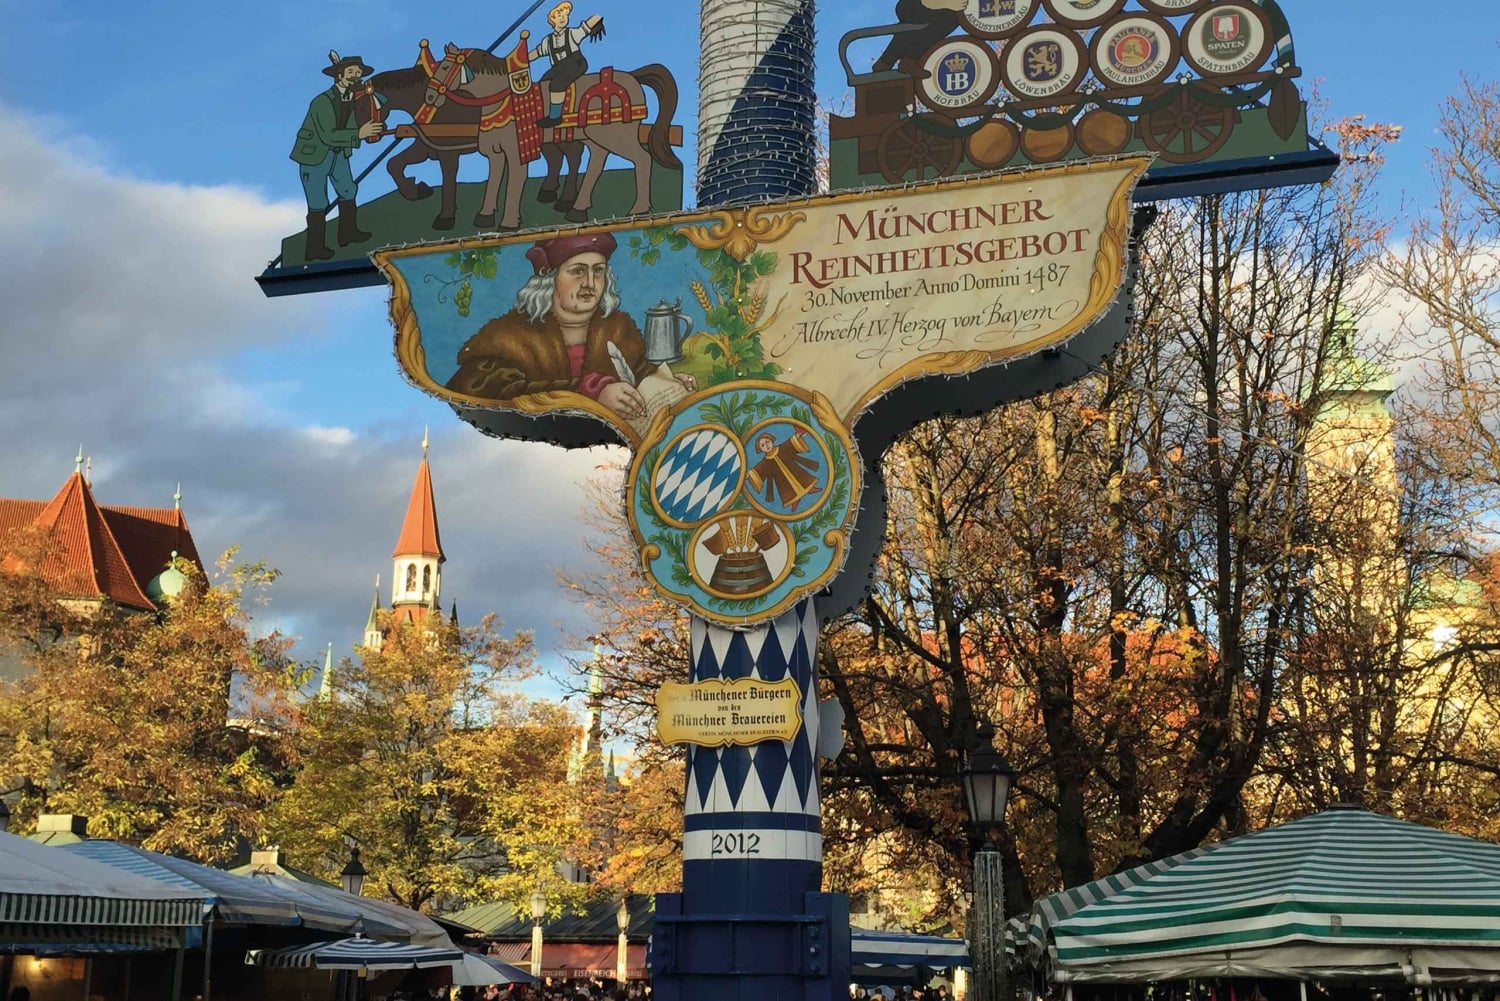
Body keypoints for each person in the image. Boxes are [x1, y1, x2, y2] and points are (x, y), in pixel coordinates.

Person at [446, 233, 695, 421]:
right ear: (549, 279)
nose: (590, 283)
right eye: (577, 271)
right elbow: (480, 389)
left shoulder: (618, 329)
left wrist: (665, 384)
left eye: (598, 271)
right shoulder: (509, 336)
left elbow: (636, 372)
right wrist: (589, 393)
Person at [290, 50, 384, 261]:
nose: (355, 76)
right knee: (318, 202)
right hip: (314, 156)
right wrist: (359, 134)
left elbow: (358, 120)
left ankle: (347, 235)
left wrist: (371, 129)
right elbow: (328, 135)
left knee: (348, 189)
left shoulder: (352, 98)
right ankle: (314, 249)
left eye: (358, 72)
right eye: (351, 72)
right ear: (339, 75)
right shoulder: (322, 101)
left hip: (339, 153)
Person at [531, 2, 607, 127]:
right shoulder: (548, 41)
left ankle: (555, 117)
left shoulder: (572, 33)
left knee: (557, 84)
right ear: (552, 19)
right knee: (543, 82)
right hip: (558, 67)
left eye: (565, 15)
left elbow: (588, 24)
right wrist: (521, 59)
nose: (563, 18)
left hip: (575, 63)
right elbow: (536, 53)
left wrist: (597, 18)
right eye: (559, 15)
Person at [872, 0, 965, 77]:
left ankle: (903, 61)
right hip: (913, 4)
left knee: (952, 18)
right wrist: (946, 3)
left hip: (935, 9)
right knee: (914, 28)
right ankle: (889, 61)